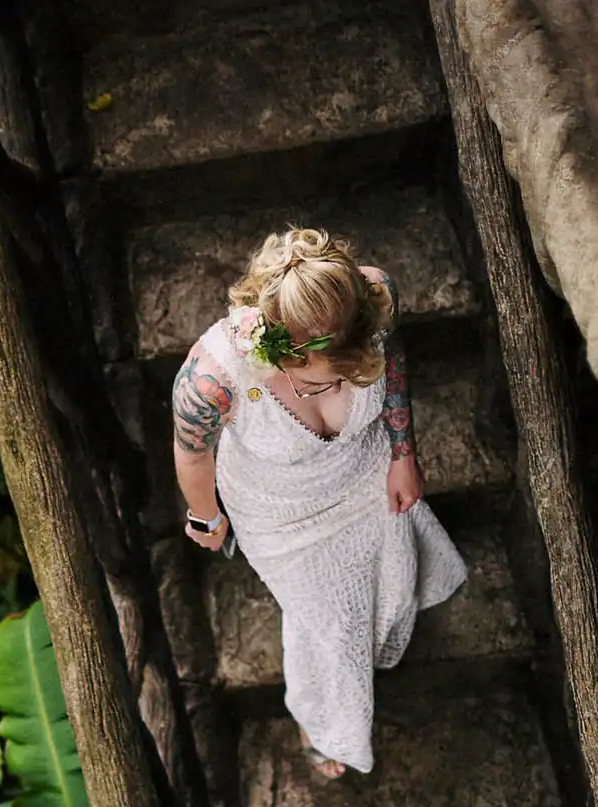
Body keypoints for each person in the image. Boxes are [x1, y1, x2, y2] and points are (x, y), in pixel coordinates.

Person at [172, 227, 467, 779]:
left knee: (387, 574)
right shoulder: (212, 380)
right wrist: (206, 517)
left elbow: (393, 364)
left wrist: (403, 454)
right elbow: (191, 455)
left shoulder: (375, 296)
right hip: (280, 513)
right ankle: (320, 721)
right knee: (326, 625)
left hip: (362, 471)